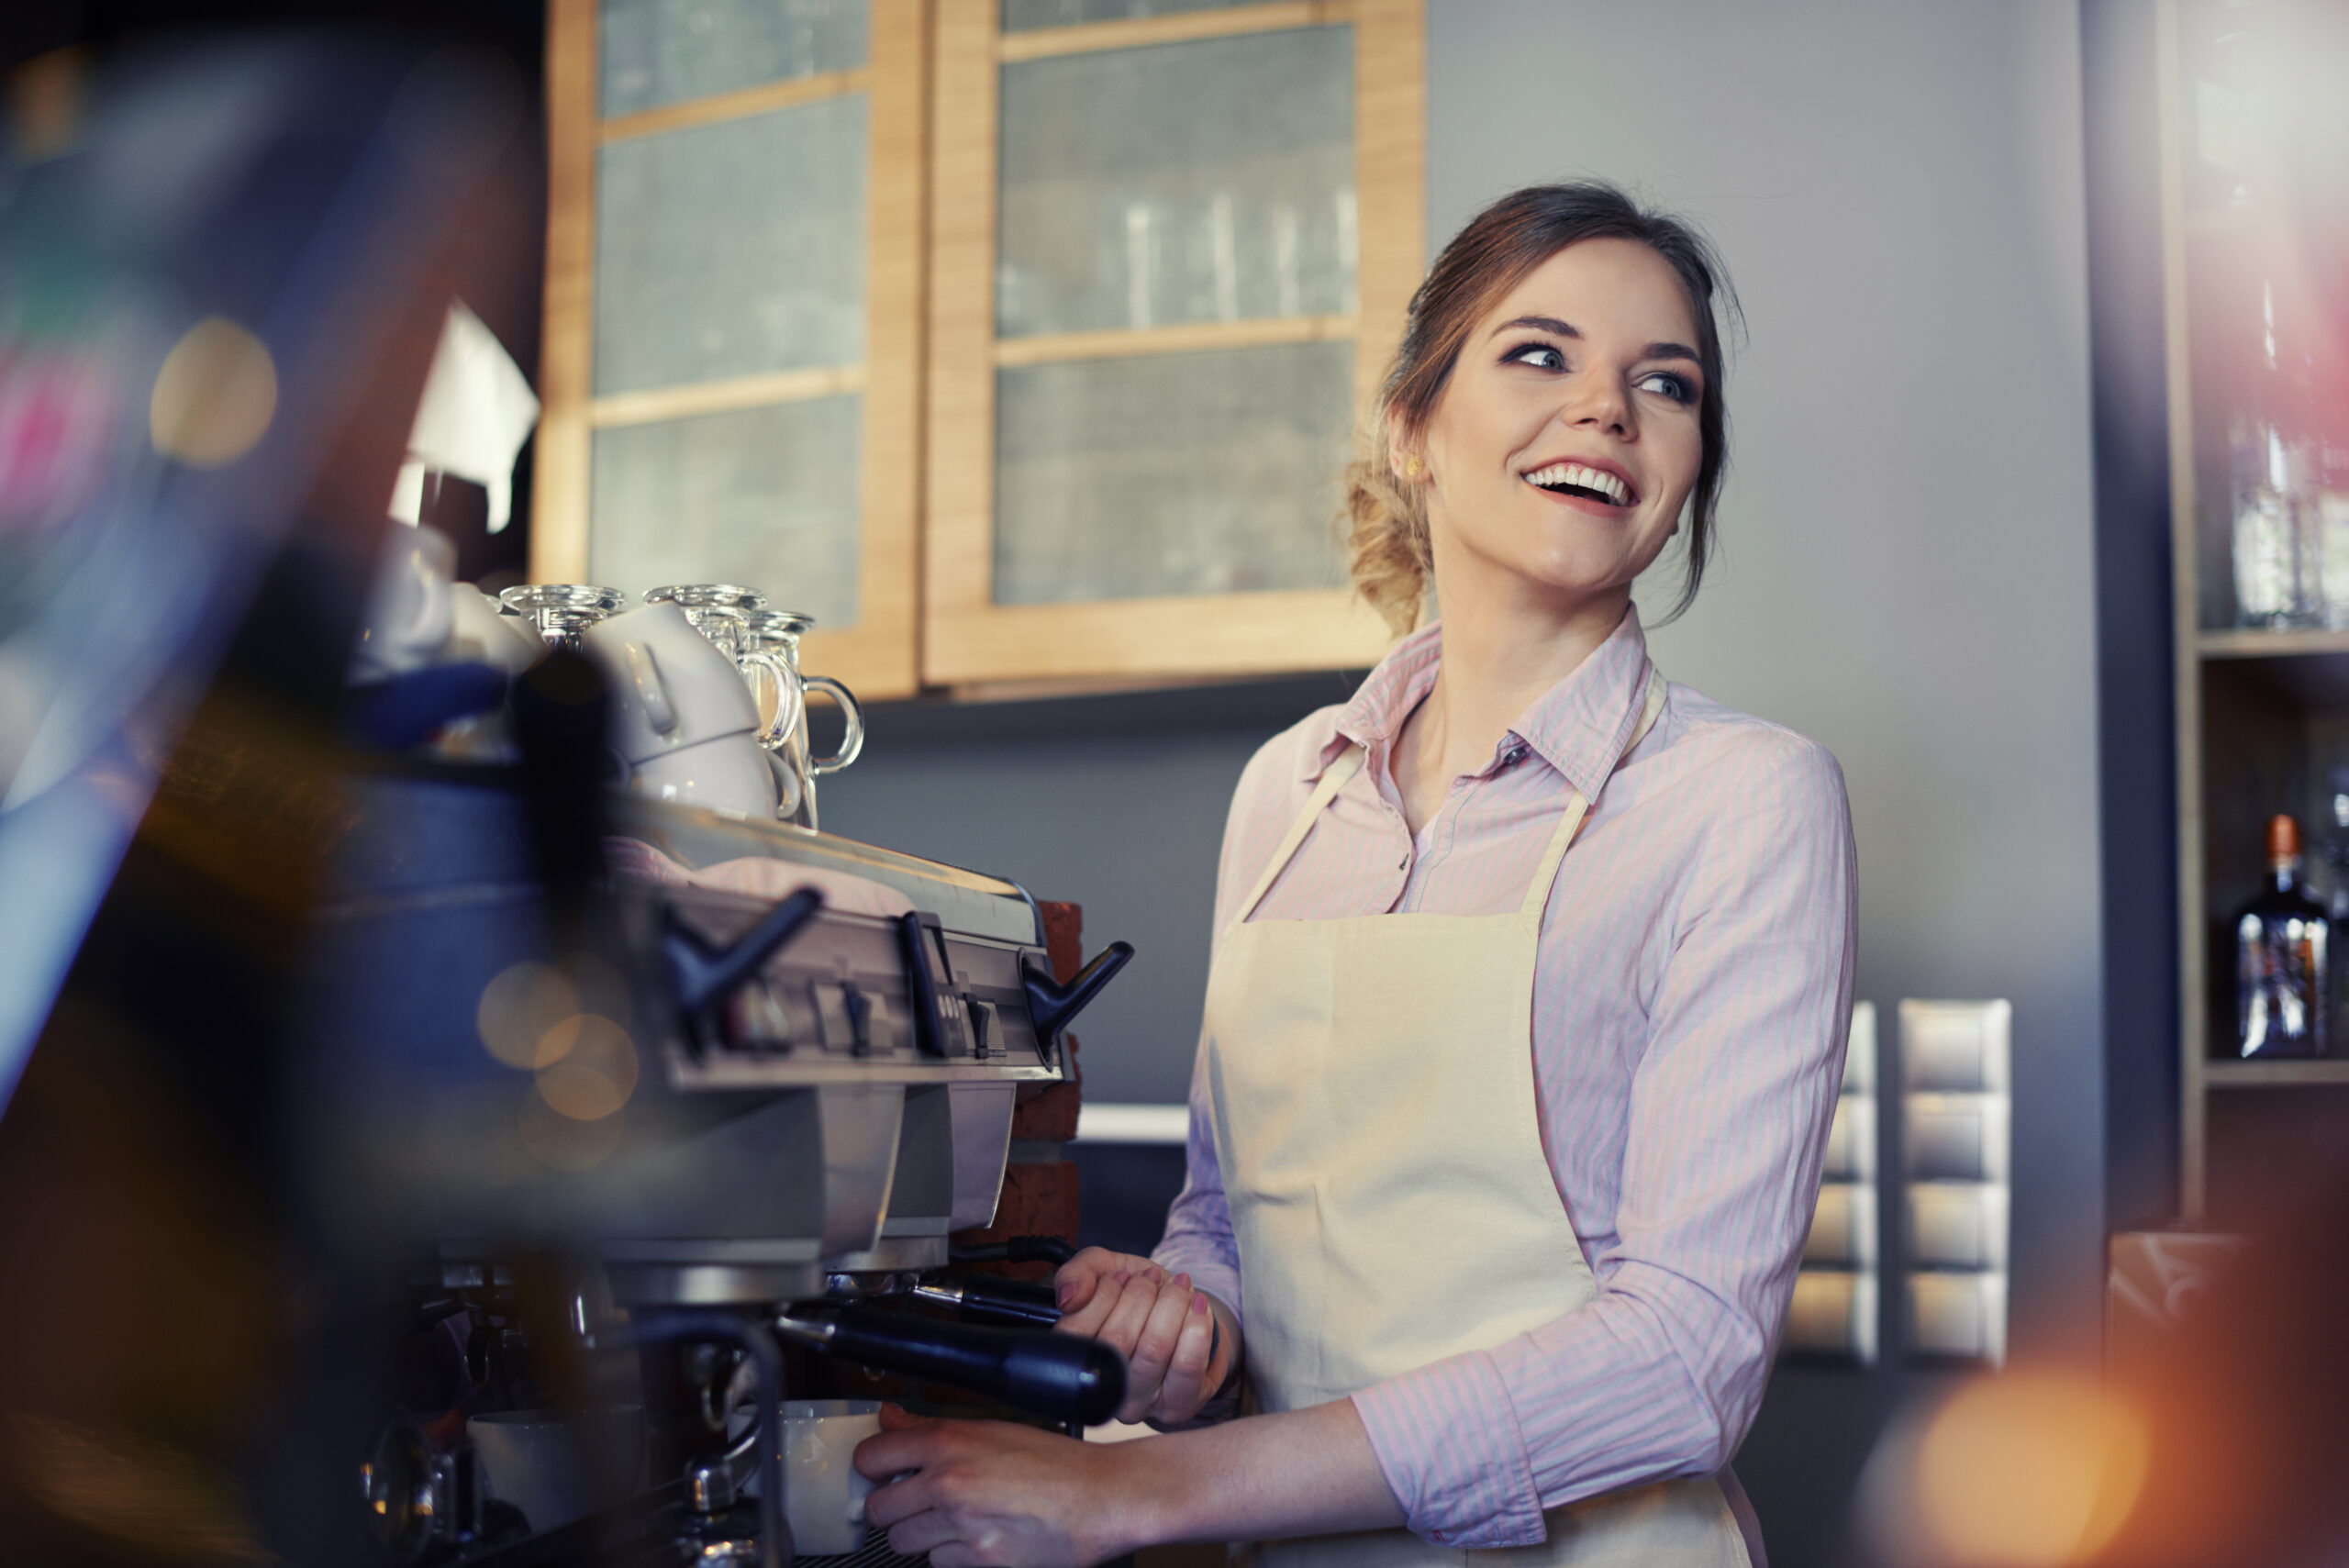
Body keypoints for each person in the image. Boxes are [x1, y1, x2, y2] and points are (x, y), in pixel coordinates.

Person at [855, 181, 1858, 1567]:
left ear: (1687, 469)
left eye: (1665, 384)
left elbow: (1684, 1362)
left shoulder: (1743, 801)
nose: (1608, 410)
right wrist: (1176, 1329)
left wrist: (1142, 1492)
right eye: (1540, 353)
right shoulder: (1289, 790)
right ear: (1413, 429)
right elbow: (1230, 1225)